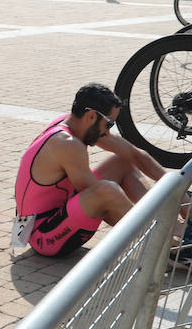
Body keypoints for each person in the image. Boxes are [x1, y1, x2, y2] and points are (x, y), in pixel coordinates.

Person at [14, 83, 165, 258]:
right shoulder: (67, 143)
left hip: (56, 216)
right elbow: (109, 204)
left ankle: (173, 226)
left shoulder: (73, 124)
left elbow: (132, 154)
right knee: (107, 191)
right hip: (43, 237)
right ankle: (167, 244)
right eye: (109, 125)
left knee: (122, 163)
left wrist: (179, 190)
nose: (108, 134)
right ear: (91, 116)